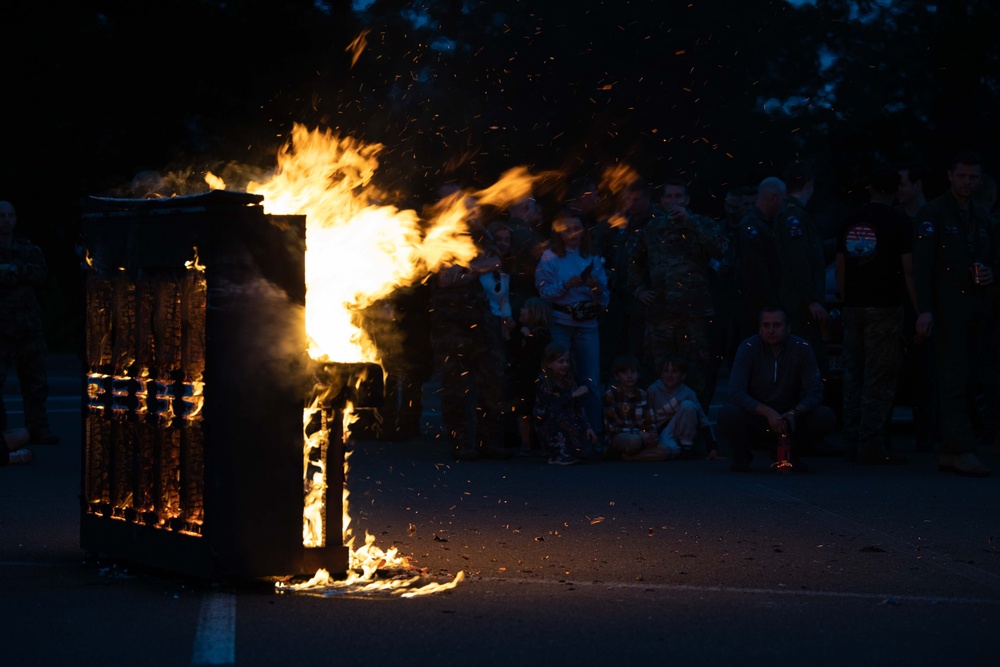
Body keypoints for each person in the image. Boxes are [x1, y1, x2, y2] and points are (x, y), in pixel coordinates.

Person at [913, 151, 999, 477]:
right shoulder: (932, 213)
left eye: (973, 177)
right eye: (962, 176)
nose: (967, 182)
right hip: (947, 311)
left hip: (976, 311)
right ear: (950, 175)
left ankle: (955, 448)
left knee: (970, 378)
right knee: (953, 378)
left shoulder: (982, 218)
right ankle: (959, 449)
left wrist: (991, 273)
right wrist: (925, 311)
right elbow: (921, 268)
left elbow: (992, 259)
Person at [835, 165, 916, 465]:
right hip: (885, 306)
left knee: (853, 373)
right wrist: (919, 307)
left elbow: (841, 266)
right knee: (878, 377)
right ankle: (870, 444)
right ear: (896, 190)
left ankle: (850, 439)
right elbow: (909, 269)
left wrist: (847, 299)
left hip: (854, 306)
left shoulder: (851, 219)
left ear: (869, 187)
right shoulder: (900, 221)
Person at [629, 179, 723, 405]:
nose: (673, 202)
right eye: (668, 197)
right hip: (660, 313)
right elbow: (634, 261)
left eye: (678, 197)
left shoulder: (702, 223)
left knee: (696, 371)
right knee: (659, 371)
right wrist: (639, 290)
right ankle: (661, 427)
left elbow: (721, 251)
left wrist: (691, 224)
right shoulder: (651, 229)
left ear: (687, 200)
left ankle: (696, 427)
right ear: (661, 201)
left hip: (694, 313)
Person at [429, 207, 512, 461]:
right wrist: (476, 267)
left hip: (479, 318)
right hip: (449, 323)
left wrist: (469, 268)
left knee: (493, 379)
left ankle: (488, 441)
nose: (474, 213)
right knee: (455, 384)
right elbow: (446, 277)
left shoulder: (479, 235)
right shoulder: (438, 238)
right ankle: (460, 443)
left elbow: (497, 260)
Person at [720, 306, 837, 473]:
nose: (771, 330)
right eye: (766, 325)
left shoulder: (802, 348)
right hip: (758, 416)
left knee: (824, 416)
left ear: (788, 327)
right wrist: (767, 412)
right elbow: (736, 391)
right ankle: (742, 457)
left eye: (777, 325)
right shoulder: (748, 347)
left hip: (791, 417)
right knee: (729, 413)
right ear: (759, 328)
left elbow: (816, 391)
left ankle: (790, 454)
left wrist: (794, 413)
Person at [534, 209, 609, 441]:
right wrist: (566, 285)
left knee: (590, 380)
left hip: (588, 323)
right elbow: (544, 292)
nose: (573, 233)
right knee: (558, 377)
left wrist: (595, 287)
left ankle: (594, 434)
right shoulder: (550, 257)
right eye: (568, 229)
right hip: (561, 322)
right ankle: (559, 433)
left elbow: (605, 297)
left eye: (577, 228)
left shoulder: (592, 257)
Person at [0, 200, 59, 445]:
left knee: (35, 381)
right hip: (1, 328)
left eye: (11, 215)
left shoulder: (27, 248)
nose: (6, 220)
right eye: (2, 215)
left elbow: (41, 274)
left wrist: (12, 269)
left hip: (27, 326)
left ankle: (38, 428)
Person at [773, 160, 830, 377]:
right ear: (809, 183)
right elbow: (798, 260)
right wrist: (812, 299)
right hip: (800, 302)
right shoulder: (794, 216)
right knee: (805, 358)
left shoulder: (792, 214)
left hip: (800, 299)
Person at [732, 178, 786, 348]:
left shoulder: (762, 224)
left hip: (759, 305)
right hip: (755, 306)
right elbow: (756, 271)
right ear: (773, 198)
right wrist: (772, 305)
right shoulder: (752, 227)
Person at [533, 342, 597, 465]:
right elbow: (551, 403)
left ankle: (570, 450)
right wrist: (572, 394)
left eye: (567, 361)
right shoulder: (543, 381)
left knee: (587, 448)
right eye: (560, 362)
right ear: (549, 364)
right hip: (548, 422)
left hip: (568, 420)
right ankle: (557, 453)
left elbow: (578, 408)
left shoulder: (569, 380)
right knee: (555, 412)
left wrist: (587, 427)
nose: (565, 365)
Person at [646, 354, 718, 460]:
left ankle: (686, 446)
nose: (669, 375)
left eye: (674, 372)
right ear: (661, 374)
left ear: (683, 375)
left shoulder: (688, 393)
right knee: (671, 450)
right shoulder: (653, 390)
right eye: (666, 371)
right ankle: (673, 448)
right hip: (661, 431)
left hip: (680, 428)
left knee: (688, 406)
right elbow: (646, 414)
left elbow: (703, 421)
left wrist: (712, 447)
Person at [506, 296, 553, 455]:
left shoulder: (544, 335)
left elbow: (539, 352)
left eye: (524, 308)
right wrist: (509, 334)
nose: (521, 310)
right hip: (523, 378)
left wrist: (529, 337)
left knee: (539, 409)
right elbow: (514, 352)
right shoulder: (520, 331)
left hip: (538, 378)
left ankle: (542, 440)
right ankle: (525, 442)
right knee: (523, 410)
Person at [601, 354, 670, 461]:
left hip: (642, 436)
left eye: (633, 372)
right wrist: (639, 433)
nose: (629, 376)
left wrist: (652, 435)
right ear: (617, 376)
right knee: (635, 441)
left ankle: (629, 457)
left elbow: (650, 421)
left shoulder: (643, 394)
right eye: (625, 373)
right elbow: (612, 427)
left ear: (638, 374)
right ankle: (625, 453)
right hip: (620, 437)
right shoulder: (611, 395)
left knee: (665, 450)